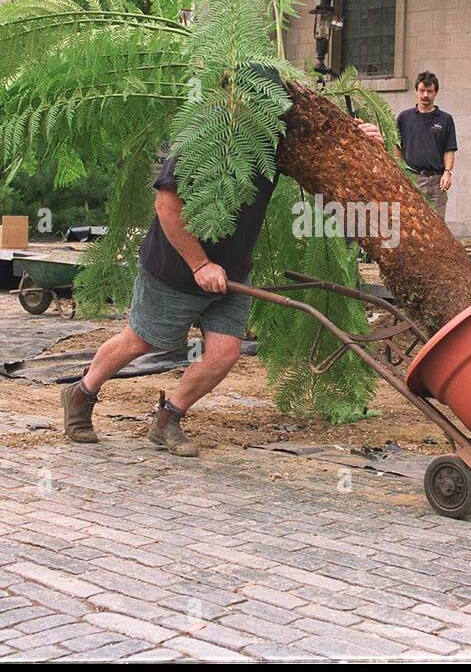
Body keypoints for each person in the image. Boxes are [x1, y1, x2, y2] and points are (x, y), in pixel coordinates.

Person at [61, 119, 385, 455]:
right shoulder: (203, 141)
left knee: (224, 353)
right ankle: (81, 393)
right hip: (175, 268)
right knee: (140, 341)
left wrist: (355, 142)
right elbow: (167, 206)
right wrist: (200, 264)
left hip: (232, 270)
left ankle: (167, 419)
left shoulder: (276, 145)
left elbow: (322, 162)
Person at [396, 71, 457, 222]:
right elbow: (396, 146)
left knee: (437, 227)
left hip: (437, 182)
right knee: (412, 224)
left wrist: (447, 173)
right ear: (416, 91)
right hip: (413, 179)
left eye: (429, 91)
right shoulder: (404, 117)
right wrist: (399, 171)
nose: (425, 95)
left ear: (435, 92)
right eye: (422, 90)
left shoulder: (446, 119)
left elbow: (449, 149)